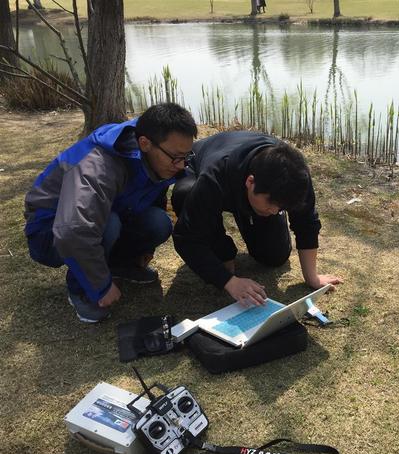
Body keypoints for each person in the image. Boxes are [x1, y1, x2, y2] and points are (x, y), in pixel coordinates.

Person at [24, 103, 198, 323]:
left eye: (185, 156)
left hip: (100, 217)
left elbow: (154, 198)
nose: (181, 165)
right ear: (144, 143)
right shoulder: (99, 166)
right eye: (176, 157)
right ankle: (82, 290)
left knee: (159, 222)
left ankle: (121, 265)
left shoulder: (158, 156)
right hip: (49, 232)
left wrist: (143, 249)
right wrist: (101, 286)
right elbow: (72, 231)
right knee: (109, 224)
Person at [171, 131, 342, 307]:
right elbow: (187, 238)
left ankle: (248, 216)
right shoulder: (214, 176)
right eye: (272, 204)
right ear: (250, 182)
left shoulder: (296, 175)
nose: (275, 211)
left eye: (281, 207)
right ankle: (222, 249)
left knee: (274, 256)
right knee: (185, 195)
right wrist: (228, 281)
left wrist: (312, 277)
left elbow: (307, 222)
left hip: (249, 190)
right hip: (203, 167)